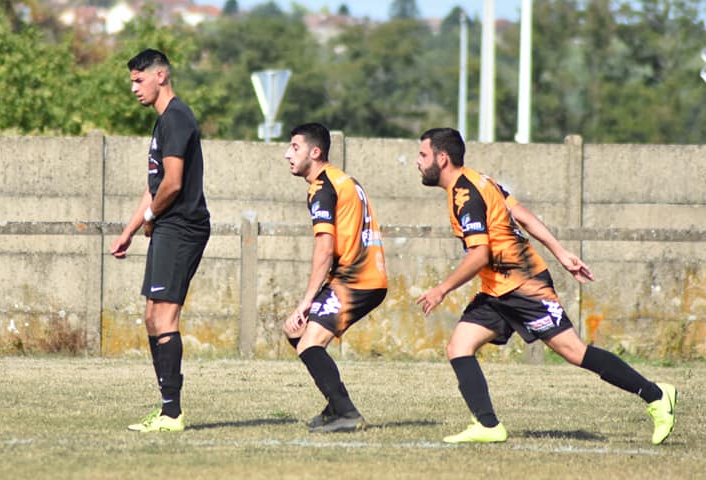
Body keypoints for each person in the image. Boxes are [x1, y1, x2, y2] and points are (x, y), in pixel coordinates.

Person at [415, 127, 676, 445]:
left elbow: (480, 253)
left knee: (574, 352)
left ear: (442, 159)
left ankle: (656, 395)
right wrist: (561, 252)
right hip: (497, 290)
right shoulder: (479, 180)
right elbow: (522, 215)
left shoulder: (465, 195)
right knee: (459, 347)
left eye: (423, 155)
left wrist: (442, 288)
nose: (418, 162)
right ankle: (488, 426)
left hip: (525, 286)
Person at [110, 48, 210, 433]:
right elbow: (153, 186)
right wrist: (130, 230)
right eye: (132, 80)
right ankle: (168, 409)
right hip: (167, 226)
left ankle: (172, 414)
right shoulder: (162, 123)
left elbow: (173, 183)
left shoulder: (178, 118)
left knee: (164, 315)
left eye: (139, 80)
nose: (133, 88)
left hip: (182, 226)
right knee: (152, 316)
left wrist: (151, 219)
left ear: (161, 76)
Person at [282, 123, 389, 433]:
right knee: (295, 332)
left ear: (315, 153)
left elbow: (325, 248)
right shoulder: (345, 180)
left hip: (356, 280)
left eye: (295, 147)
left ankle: (347, 414)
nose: (288, 154)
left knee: (307, 342)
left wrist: (306, 301)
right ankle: (335, 407)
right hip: (364, 276)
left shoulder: (321, 187)